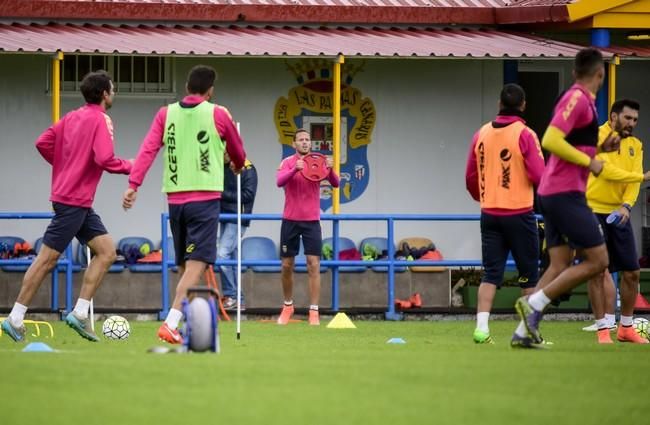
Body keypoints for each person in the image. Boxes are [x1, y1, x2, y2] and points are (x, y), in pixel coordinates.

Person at [1, 71, 132, 342]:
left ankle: (80, 313)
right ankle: (15, 318)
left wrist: (65, 166)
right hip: (73, 201)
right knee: (46, 259)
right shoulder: (101, 119)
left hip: (76, 201)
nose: (114, 93)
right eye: (113, 89)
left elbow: (43, 143)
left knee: (107, 252)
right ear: (105, 94)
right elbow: (105, 158)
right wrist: (132, 166)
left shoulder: (71, 117)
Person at [122, 65, 246, 344]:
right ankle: (171, 321)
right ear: (210, 90)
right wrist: (237, 165)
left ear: (187, 87)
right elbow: (238, 150)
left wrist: (134, 185)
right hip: (204, 200)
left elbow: (148, 150)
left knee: (185, 264)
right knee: (198, 263)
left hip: (175, 201)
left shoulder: (166, 113)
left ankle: (186, 321)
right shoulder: (218, 113)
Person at [512, 47, 621, 347]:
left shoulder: (580, 100)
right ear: (600, 74)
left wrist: (599, 151)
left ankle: (523, 332)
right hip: (564, 193)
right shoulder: (578, 99)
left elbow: (568, 146)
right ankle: (533, 304)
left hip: (554, 191)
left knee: (560, 262)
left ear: (574, 72)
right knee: (599, 260)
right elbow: (551, 139)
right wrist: (591, 162)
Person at [465, 83, 545, 344]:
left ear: (499, 104)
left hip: (489, 213)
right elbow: (538, 174)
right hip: (519, 212)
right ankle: (528, 330)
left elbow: (471, 176)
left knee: (491, 273)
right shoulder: (526, 134)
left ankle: (481, 329)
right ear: (523, 106)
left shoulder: (481, 134)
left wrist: (484, 196)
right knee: (528, 275)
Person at [582, 99, 649, 343]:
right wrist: (642, 176)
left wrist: (627, 205)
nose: (632, 123)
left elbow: (631, 184)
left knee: (632, 272)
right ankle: (602, 330)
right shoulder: (596, 136)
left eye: (635, 120)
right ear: (613, 117)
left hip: (619, 214)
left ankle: (626, 328)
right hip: (592, 211)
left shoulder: (636, 145)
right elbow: (607, 171)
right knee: (598, 271)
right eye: (627, 118)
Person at [276, 129, 339, 325]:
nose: (304, 142)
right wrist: (295, 168)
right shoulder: (287, 162)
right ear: (294, 144)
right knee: (287, 265)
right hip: (290, 220)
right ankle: (288, 306)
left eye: (307, 140)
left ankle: (314, 312)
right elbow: (279, 182)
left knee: (314, 264)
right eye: (301, 140)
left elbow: (336, 183)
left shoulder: (318, 162)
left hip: (312, 221)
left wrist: (330, 169)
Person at [218, 153, 258, 310]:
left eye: (225, 152)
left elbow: (248, 195)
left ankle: (231, 295)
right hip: (224, 216)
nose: (222, 155)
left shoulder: (248, 168)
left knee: (221, 255)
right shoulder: (224, 166)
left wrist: (221, 194)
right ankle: (238, 299)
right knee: (233, 259)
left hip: (239, 218)